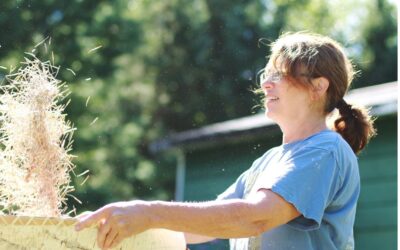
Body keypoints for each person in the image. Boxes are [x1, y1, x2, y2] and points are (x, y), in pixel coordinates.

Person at [75, 32, 376, 250]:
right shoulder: (268, 161)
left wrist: (147, 213)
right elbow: (206, 227)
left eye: (281, 74)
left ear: (318, 86)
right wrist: (117, 227)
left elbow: (255, 218)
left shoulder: (326, 150)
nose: (266, 83)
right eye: (267, 74)